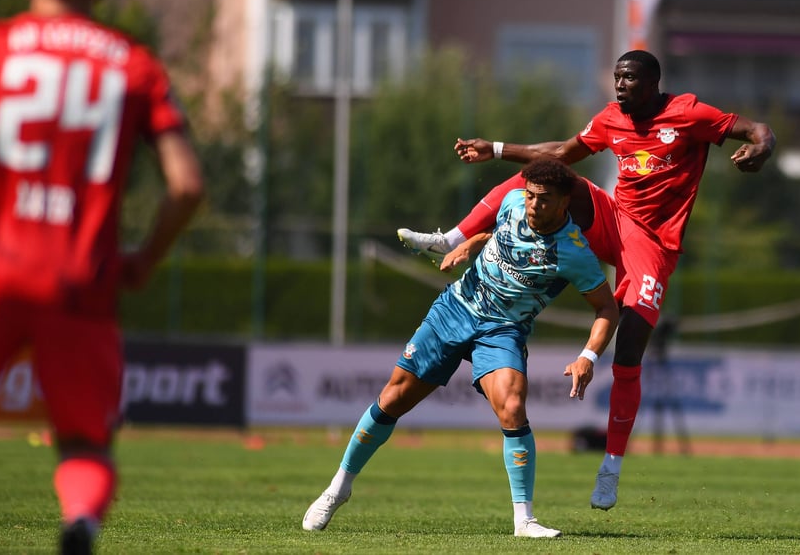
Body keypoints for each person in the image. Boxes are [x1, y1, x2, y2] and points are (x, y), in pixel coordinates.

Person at [0, 0, 205, 554]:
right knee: (84, 444)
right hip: (81, 284)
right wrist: (144, 260)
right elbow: (186, 185)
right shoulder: (134, 66)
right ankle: (80, 521)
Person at [398, 48, 775, 511]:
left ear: (653, 83)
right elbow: (561, 153)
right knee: (547, 176)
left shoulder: (688, 113)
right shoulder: (612, 118)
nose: (620, 85)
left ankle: (611, 467)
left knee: (629, 350)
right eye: (617, 77)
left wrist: (762, 148)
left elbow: (757, 129)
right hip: (613, 220)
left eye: (629, 78)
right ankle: (451, 237)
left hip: (653, 245)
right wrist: (494, 149)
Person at [303, 158, 619, 538]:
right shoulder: (512, 202)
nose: (534, 205)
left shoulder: (574, 252)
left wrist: (588, 356)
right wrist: (470, 244)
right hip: (456, 309)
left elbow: (607, 308)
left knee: (513, 406)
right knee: (393, 398)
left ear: (565, 201)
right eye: (531, 195)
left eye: (545, 198)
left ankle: (524, 520)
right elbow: (497, 234)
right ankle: (337, 489)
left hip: (503, 329)